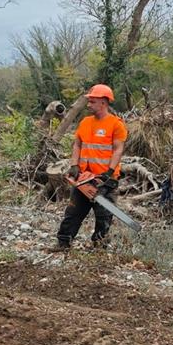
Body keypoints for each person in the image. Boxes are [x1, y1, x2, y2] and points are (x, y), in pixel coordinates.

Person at [55, 83, 127, 250]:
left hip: (104, 179)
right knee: (73, 212)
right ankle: (63, 242)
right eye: (89, 101)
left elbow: (118, 149)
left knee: (103, 215)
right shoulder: (86, 122)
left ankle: (99, 246)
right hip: (84, 177)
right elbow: (77, 145)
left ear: (103, 102)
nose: (89, 105)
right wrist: (74, 165)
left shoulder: (116, 124)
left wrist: (109, 173)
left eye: (92, 102)